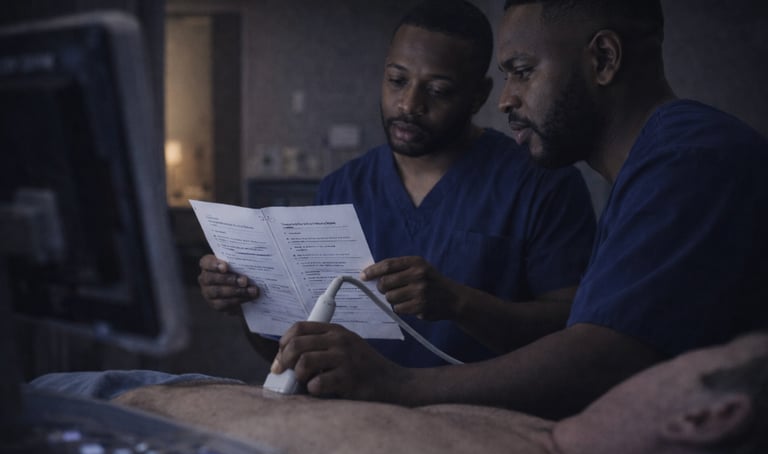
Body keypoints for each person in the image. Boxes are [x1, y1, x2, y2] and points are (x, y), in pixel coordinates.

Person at [270, 0, 768, 418]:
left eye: (523, 72)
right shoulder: (649, 171)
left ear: (604, 59)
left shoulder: (692, 158)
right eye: (397, 80)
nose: (507, 99)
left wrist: (401, 386)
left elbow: (601, 356)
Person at [198, 0, 596, 367]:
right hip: (355, 421)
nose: (408, 104)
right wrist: (246, 306)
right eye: (396, 80)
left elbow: (572, 333)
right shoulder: (341, 190)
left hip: (479, 422)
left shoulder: (542, 184)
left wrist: (459, 303)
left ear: (479, 96)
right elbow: (293, 353)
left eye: (437, 90)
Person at [95, 332, 767, 454]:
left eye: (698, 356)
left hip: (102, 431)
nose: (670, 355)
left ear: (706, 417)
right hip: (152, 390)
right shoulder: (552, 440)